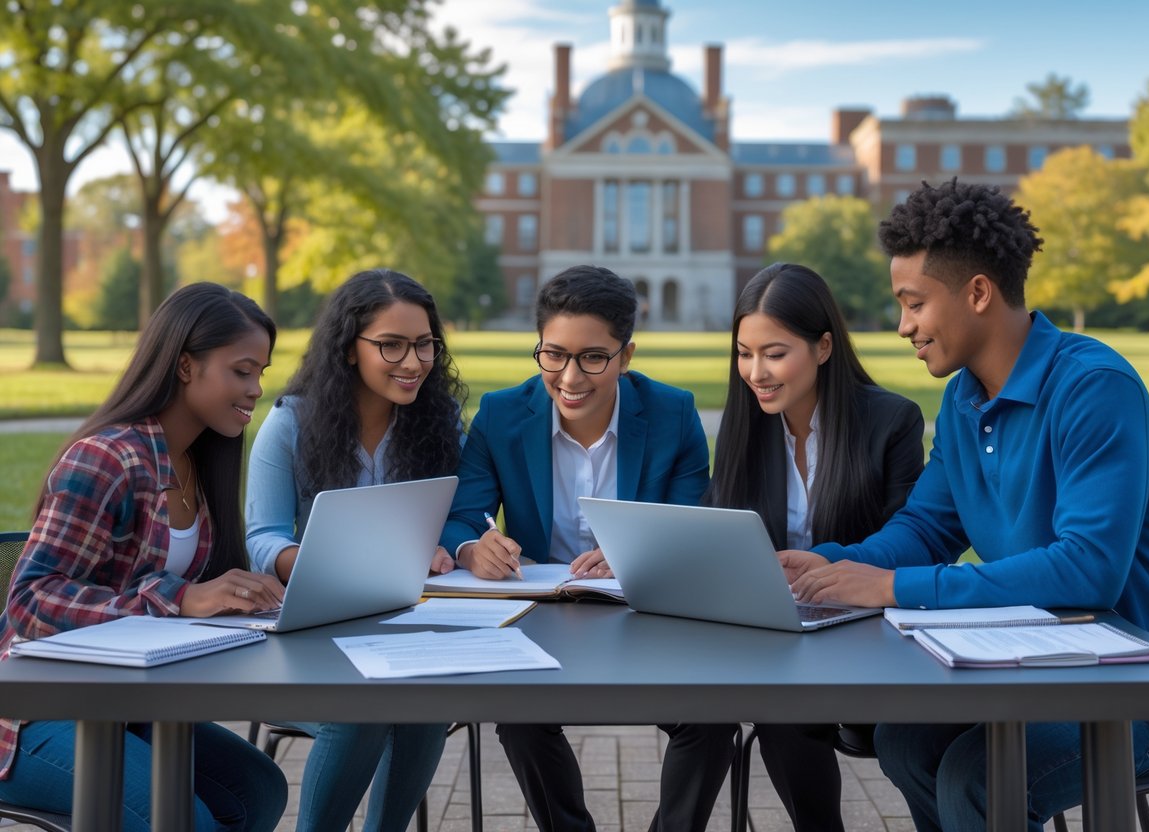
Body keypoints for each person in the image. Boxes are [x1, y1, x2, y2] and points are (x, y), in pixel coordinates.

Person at [783, 178, 1149, 832]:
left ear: (977, 293)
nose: (903, 327)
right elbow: (925, 529)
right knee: (903, 740)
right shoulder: (962, 400)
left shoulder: (1093, 387)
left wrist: (895, 587)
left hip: (1145, 689)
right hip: (1041, 664)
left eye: (913, 304)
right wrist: (817, 568)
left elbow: (1085, 570)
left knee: (975, 777)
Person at [0, 283, 288, 831]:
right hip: (33, 714)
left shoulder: (199, 464)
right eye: (242, 371)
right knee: (184, 820)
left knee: (259, 790)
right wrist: (180, 598)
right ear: (185, 365)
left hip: (128, 704)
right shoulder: (107, 458)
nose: (255, 390)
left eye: (261, 374)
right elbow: (30, 600)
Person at [440, 264, 715, 832]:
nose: (570, 376)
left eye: (593, 357)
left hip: (646, 617)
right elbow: (460, 513)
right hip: (541, 615)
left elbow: (693, 525)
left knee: (712, 719)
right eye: (553, 355)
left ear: (626, 356)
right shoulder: (501, 414)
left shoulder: (673, 413)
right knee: (517, 715)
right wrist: (472, 547)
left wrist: (638, 553)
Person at [663, 262, 925, 832]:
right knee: (705, 708)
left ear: (824, 346)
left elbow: (912, 541)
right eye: (744, 353)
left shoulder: (890, 422)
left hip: (863, 636)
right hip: (775, 636)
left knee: (781, 711)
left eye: (774, 353)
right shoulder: (748, 424)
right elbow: (717, 530)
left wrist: (830, 566)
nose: (755, 372)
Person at [245, 268, 461, 832]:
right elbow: (262, 538)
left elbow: (455, 517)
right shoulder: (290, 423)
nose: (413, 362)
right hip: (309, 634)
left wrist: (448, 546)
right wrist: (328, 565)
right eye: (391, 345)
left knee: (424, 709)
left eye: (424, 345)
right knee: (360, 713)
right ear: (348, 349)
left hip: (405, 630)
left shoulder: (439, 422)